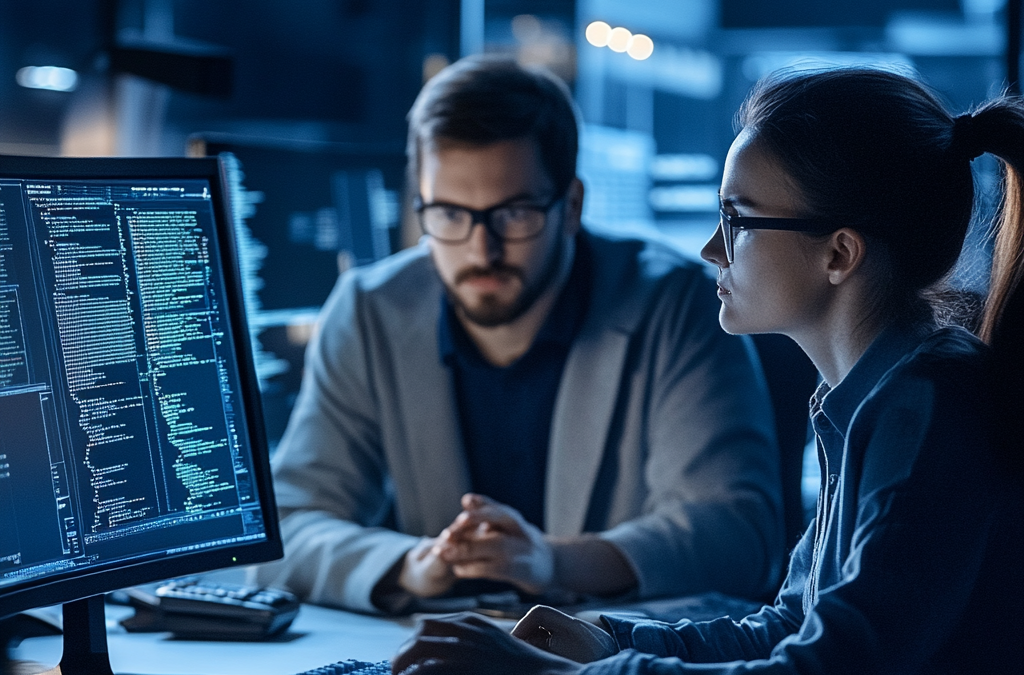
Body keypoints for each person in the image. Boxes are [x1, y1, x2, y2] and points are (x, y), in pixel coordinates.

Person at [391, 67, 1024, 673]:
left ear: (839, 254)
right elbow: (788, 628)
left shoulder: (923, 409)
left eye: (737, 219)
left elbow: (826, 668)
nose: (710, 249)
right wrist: (604, 639)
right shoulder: (871, 398)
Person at [251, 55, 786, 614]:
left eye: (514, 213)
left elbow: (738, 536)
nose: (481, 250)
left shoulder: (675, 304)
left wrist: (553, 562)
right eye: (450, 214)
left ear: (571, 206)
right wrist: (412, 565)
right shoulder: (370, 311)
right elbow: (286, 526)